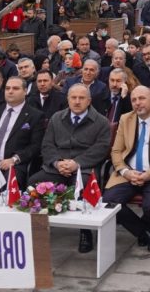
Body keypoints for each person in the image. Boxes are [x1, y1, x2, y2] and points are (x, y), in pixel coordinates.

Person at [29, 85, 112, 253]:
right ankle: (39, 229)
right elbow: (47, 145)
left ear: (89, 101)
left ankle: (85, 231)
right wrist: (57, 163)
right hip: (56, 168)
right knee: (34, 183)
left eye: (82, 98)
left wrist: (77, 163)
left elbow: (101, 149)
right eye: (73, 98)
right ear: (67, 99)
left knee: (84, 188)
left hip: (84, 169)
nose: (77, 101)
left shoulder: (102, 122)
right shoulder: (56, 118)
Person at [103, 86, 150, 250]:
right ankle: (145, 231)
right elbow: (116, 151)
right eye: (134, 100)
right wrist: (126, 171)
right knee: (108, 202)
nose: (138, 103)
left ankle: (145, 227)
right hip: (128, 173)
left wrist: (148, 175)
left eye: (142, 98)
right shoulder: (126, 119)